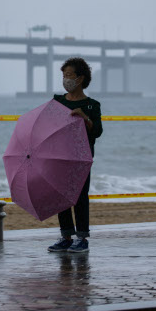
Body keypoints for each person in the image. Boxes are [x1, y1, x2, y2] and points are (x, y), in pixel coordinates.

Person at [48, 57, 103, 253]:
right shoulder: (57, 101)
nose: (65, 80)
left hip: (81, 158)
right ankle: (66, 236)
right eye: (63, 76)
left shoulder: (92, 105)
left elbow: (97, 131)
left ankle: (82, 238)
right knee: (60, 195)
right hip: (59, 156)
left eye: (69, 75)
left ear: (80, 79)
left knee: (80, 196)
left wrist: (84, 117)